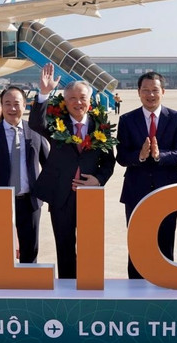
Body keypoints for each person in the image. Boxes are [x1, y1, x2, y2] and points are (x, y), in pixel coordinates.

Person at [29, 63, 116, 279]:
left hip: (89, 195)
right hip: (61, 195)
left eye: (82, 98)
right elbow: (35, 123)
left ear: (89, 100)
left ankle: (88, 285)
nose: (78, 103)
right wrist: (44, 93)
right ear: (65, 102)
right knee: (64, 244)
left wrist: (98, 180)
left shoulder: (100, 125)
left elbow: (108, 162)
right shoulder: (56, 122)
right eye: (72, 99)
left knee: (89, 246)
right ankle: (68, 288)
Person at [116, 72, 177, 279]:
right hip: (135, 191)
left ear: (163, 92)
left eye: (155, 90)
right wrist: (139, 156)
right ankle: (135, 292)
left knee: (165, 242)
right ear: (138, 93)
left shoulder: (176, 118)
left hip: (167, 191)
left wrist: (159, 155)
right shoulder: (127, 120)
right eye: (145, 90)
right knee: (138, 245)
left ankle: (164, 288)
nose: (150, 95)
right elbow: (121, 156)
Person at [0, 86, 49, 263]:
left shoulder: (35, 132)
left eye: (16, 103)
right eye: (7, 103)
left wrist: (52, 196)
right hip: (1, 202)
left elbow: (48, 165)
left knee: (30, 250)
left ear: (25, 106)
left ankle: (28, 286)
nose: (12, 108)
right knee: (1, 252)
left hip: (30, 201)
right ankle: (4, 288)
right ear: (1, 106)